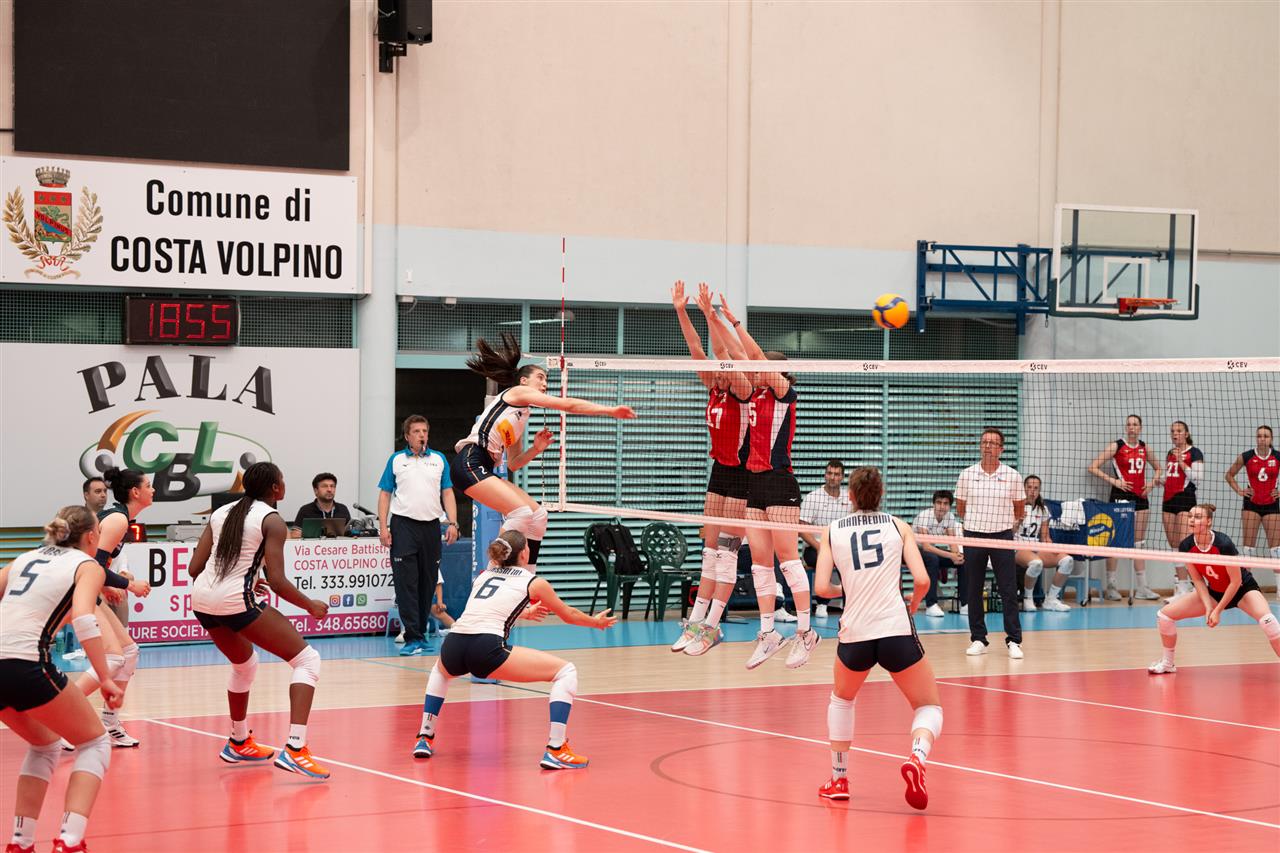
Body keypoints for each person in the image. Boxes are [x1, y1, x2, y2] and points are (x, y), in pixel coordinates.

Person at [413, 530, 617, 769]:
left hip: (454, 644)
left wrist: (525, 612)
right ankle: (556, 749)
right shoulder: (534, 582)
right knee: (566, 671)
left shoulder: (485, 574)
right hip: (486, 648)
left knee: (440, 672)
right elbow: (568, 614)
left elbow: (491, 606)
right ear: (524, 554)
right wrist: (595, 622)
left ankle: (424, 736)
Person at [449, 333, 634, 582]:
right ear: (523, 381)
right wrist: (609, 410)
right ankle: (493, 573)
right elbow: (567, 405)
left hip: (483, 466)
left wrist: (536, 448)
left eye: (546, 379)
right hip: (469, 462)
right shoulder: (516, 393)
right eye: (540, 377)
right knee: (520, 512)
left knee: (538, 515)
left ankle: (527, 578)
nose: (545, 383)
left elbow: (514, 463)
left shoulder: (520, 416)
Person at [188, 462, 333, 779]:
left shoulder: (220, 512)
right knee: (307, 660)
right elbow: (277, 582)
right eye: (282, 481)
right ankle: (295, 749)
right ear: (276, 488)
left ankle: (238, 741)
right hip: (233, 600)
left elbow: (194, 567)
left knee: (245, 665)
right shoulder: (272, 520)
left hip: (201, 600)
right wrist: (310, 606)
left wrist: (243, 578)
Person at [813, 467, 943, 809]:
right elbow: (922, 580)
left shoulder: (832, 530)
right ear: (881, 494)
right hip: (894, 628)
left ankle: (839, 779)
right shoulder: (899, 526)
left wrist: (849, 588)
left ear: (850, 496)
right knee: (928, 705)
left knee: (842, 700)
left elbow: (821, 588)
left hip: (855, 632)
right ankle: (917, 757)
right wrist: (912, 604)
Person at [1, 506, 123, 853]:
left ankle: (21, 842)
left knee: (44, 745)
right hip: (27, 662)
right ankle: (70, 841)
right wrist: (106, 678)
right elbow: (85, 619)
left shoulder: (24, 558)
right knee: (94, 743)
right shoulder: (87, 565)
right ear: (91, 536)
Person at [717, 296, 819, 669]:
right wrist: (716, 320)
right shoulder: (755, 394)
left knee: (788, 560)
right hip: (754, 484)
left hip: (779, 483)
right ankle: (768, 633)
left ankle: (806, 632)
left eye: (760, 367)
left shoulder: (784, 393)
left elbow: (754, 357)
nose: (753, 369)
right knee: (761, 565)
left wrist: (735, 322)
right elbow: (736, 356)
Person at [665, 282, 753, 655]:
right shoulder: (713, 386)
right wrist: (681, 311)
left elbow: (721, 352)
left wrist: (710, 315)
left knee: (727, 554)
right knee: (709, 553)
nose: (713, 368)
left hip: (743, 475)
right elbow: (697, 349)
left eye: (720, 366)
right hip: (719, 472)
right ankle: (696, 622)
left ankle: (713, 626)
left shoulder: (742, 390)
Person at [72, 468, 153, 749]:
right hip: (75, 586)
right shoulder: (118, 519)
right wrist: (131, 585)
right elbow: (92, 565)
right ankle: (63, 717)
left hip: (85, 584)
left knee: (129, 652)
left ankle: (110, 722)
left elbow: (96, 564)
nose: (153, 490)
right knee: (114, 657)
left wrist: (106, 586)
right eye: (149, 485)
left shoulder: (121, 518)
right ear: (135, 492)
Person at [1148, 503, 1280, 674]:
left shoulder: (1223, 544)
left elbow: (1235, 582)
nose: (1192, 520)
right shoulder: (1186, 546)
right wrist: (1208, 607)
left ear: (1209, 521)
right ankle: (1167, 663)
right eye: (1190, 516)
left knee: (1269, 622)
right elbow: (1198, 579)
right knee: (1164, 616)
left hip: (1242, 590)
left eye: (1197, 517)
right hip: (1215, 592)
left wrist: (1217, 610)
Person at [378, 416, 460, 657]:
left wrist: (453, 523)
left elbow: (447, 492)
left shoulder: (439, 459)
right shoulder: (396, 460)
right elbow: (385, 494)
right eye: (416, 431)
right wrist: (383, 527)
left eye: (424, 430)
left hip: (431, 527)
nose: (421, 435)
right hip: (403, 526)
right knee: (406, 583)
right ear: (407, 436)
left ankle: (421, 635)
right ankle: (412, 637)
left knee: (427, 582)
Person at [955, 428, 1026, 659]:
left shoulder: (1012, 475)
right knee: (973, 588)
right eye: (984, 442)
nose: (987, 446)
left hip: (1002, 537)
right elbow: (960, 508)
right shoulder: (967, 474)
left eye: (993, 443)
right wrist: (977, 523)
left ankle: (1014, 640)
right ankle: (978, 638)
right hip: (974, 536)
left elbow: (1019, 509)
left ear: (1001, 449)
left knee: (1008, 589)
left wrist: (1002, 524)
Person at [1088, 414, 1154, 600]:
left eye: (1135, 424)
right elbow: (1093, 467)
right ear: (1126, 427)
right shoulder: (1117, 445)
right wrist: (1115, 481)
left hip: (1140, 498)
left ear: (1140, 428)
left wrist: (1151, 484)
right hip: (1119, 497)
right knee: (1115, 541)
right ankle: (1111, 586)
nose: (1132, 427)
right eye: (1129, 424)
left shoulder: (1144, 447)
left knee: (1139, 543)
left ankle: (1142, 587)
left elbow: (1159, 468)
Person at [1225, 425, 1279, 600]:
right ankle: (1248, 588)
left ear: (1271, 439)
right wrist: (1240, 491)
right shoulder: (1247, 456)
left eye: (1266, 436)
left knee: (1276, 549)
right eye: (1259, 436)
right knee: (1248, 548)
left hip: (1272, 504)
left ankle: (1279, 589)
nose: (1262, 439)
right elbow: (1229, 475)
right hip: (1251, 505)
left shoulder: (1277, 456)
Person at [1154, 421, 1204, 599]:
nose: (1175, 434)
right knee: (1174, 546)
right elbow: (1172, 476)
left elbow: (1197, 478)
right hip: (1168, 500)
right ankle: (1182, 588)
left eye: (1179, 431)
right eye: (1172, 431)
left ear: (1186, 433)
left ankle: (1197, 585)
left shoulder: (1195, 452)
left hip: (1185, 499)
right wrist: (1160, 480)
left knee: (1184, 545)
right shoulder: (1170, 453)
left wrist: (1181, 461)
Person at [799, 460, 852, 620]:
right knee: (825, 558)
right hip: (815, 548)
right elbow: (802, 530)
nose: (832, 477)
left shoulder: (849, 498)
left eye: (836, 474)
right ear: (825, 475)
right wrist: (820, 547)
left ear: (842, 477)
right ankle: (822, 603)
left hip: (841, 548)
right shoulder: (813, 497)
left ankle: (850, 603)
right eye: (829, 473)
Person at [1015, 476, 1075, 612]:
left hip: (1036, 547)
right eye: (1029, 487)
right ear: (1024, 488)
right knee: (1036, 563)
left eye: (1036, 488)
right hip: (1018, 548)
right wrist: (1018, 521)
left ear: (1039, 490)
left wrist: (1052, 547)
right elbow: (1009, 532)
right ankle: (1028, 599)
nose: (1032, 491)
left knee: (1067, 561)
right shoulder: (1016, 506)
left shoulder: (1043, 510)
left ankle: (1051, 599)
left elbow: (1045, 536)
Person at [912, 490, 964, 618]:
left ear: (949, 506)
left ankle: (965, 603)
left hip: (931, 551)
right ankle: (931, 605)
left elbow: (952, 543)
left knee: (963, 561)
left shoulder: (950, 517)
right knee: (933, 559)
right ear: (933, 504)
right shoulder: (924, 516)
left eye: (945, 503)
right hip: (914, 551)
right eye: (939, 502)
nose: (942, 506)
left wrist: (957, 555)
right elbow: (926, 547)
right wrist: (951, 555)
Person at [289, 472, 352, 539]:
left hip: (339, 546)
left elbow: (350, 533)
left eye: (332, 486)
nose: (329, 490)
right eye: (325, 486)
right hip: (314, 545)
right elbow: (294, 534)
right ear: (316, 491)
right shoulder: (305, 510)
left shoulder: (343, 509)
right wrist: (308, 533)